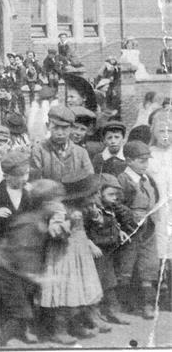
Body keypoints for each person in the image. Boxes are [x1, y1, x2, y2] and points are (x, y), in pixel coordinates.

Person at [0, 179, 63, 346]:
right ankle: (1, 342)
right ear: (46, 203)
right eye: (58, 201)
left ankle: (11, 338)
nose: (61, 205)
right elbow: (19, 255)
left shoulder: (38, 220)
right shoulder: (28, 223)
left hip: (18, 274)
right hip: (9, 273)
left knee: (23, 310)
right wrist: (37, 277)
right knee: (21, 312)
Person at [40, 172, 104, 344]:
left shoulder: (83, 208)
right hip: (64, 255)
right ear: (81, 196)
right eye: (92, 195)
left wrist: (95, 216)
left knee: (80, 290)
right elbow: (53, 231)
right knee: (65, 291)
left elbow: (89, 227)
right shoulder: (61, 209)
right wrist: (69, 223)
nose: (95, 197)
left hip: (80, 254)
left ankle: (75, 324)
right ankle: (58, 329)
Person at [0, 150, 35, 328]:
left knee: (25, 285)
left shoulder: (28, 194)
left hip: (22, 248)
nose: (25, 178)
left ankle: (23, 326)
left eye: (27, 173)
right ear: (6, 176)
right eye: (20, 175)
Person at [115, 140, 160, 319]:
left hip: (148, 226)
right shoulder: (123, 180)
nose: (145, 165)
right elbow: (117, 203)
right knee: (127, 263)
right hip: (130, 227)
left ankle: (148, 304)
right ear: (128, 161)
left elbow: (155, 197)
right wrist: (129, 218)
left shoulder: (147, 178)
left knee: (148, 264)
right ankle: (124, 304)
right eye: (141, 161)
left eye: (146, 161)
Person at [84, 174, 133, 326]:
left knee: (110, 281)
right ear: (99, 193)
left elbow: (113, 222)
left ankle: (112, 311)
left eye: (116, 195)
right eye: (110, 194)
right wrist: (90, 244)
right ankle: (94, 314)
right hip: (96, 250)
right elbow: (82, 230)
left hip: (108, 249)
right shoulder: (91, 209)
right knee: (97, 282)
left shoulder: (109, 207)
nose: (114, 198)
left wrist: (120, 232)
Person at [30, 105, 94, 180]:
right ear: (48, 126)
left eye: (64, 128)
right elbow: (35, 181)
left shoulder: (81, 153)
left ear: (71, 128)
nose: (60, 133)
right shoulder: (39, 150)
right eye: (55, 128)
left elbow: (90, 179)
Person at [147, 115, 172, 294]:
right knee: (159, 244)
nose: (165, 135)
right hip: (157, 208)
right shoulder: (148, 155)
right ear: (153, 133)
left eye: (169, 131)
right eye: (161, 131)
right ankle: (160, 287)